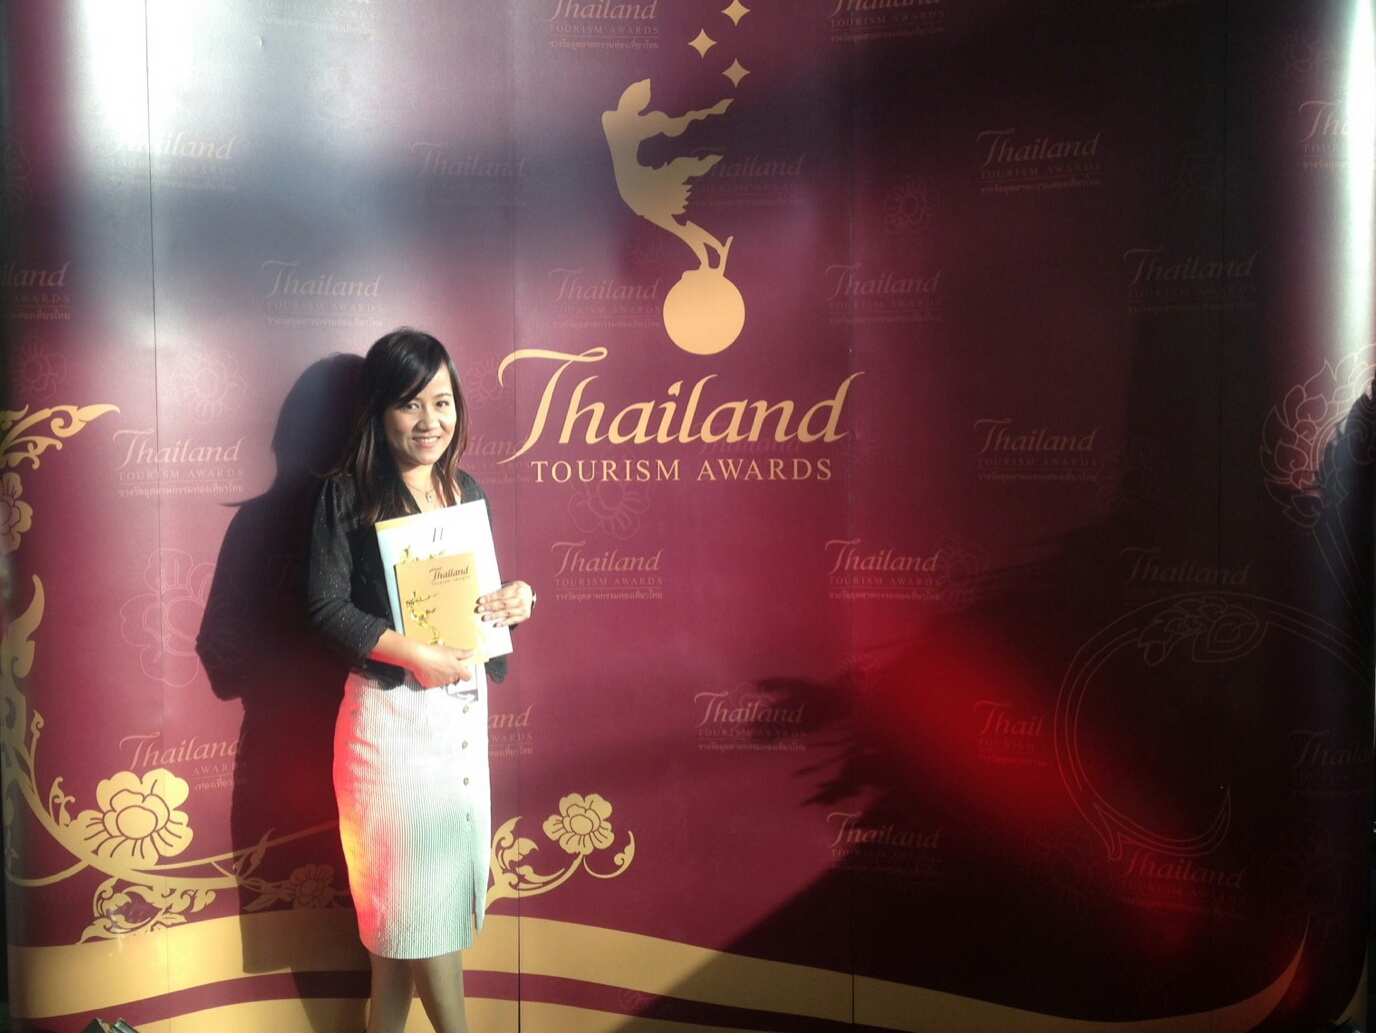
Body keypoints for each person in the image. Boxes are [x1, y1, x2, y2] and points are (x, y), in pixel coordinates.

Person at [306, 328, 535, 1033]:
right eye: (410, 403)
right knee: (418, 915)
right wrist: (413, 654)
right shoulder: (346, 495)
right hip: (391, 731)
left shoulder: (465, 491)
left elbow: (482, 606)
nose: (430, 420)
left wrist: (516, 600)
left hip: (460, 723)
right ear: (379, 411)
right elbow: (325, 607)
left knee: (400, 935)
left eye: (443, 402)